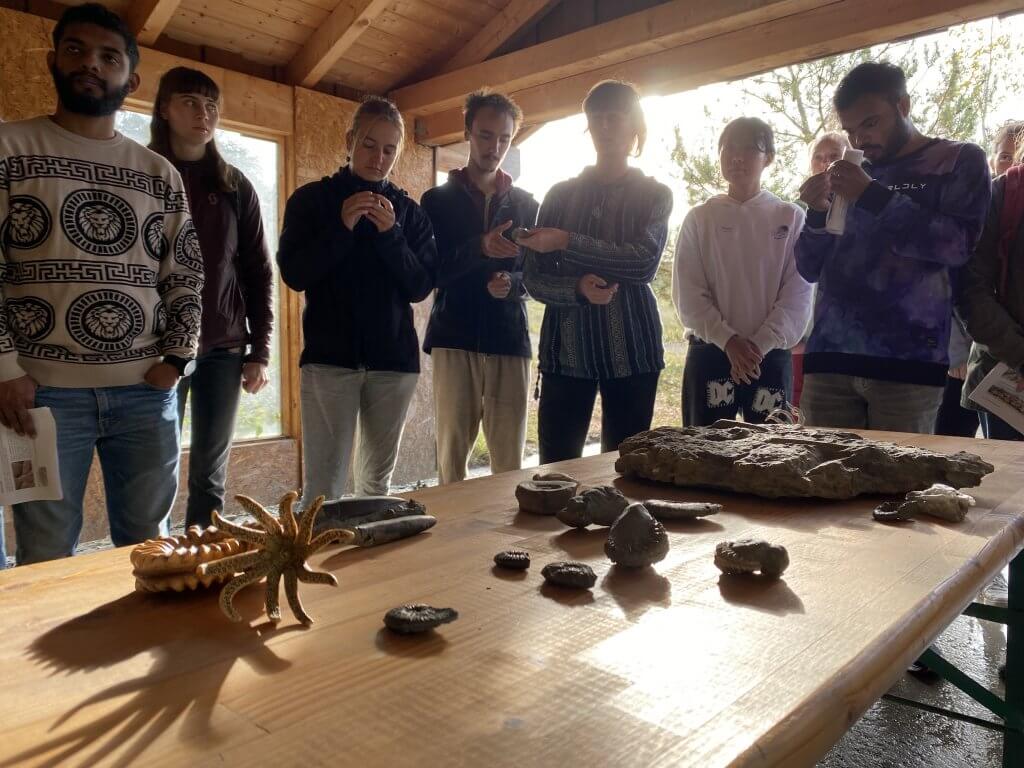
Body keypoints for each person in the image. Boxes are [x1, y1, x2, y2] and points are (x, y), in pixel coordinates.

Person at [0, 3, 202, 564]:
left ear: (130, 81)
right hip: (39, 397)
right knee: (45, 555)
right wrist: (6, 369)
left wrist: (176, 360)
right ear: (53, 61)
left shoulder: (158, 173)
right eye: (76, 50)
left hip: (146, 393)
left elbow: (185, 273)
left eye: (109, 57)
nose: (91, 63)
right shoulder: (9, 149)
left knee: (151, 549)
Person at [794, 62, 990, 433]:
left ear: (903, 105)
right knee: (819, 469)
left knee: (898, 472)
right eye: (850, 130)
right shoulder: (850, 171)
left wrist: (872, 195)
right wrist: (816, 214)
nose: (860, 140)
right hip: (829, 358)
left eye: (870, 123)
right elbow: (808, 267)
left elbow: (956, 246)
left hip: (909, 365)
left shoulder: (958, 160)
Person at [277, 97, 435, 503]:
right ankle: (316, 547)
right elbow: (295, 274)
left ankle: (371, 546)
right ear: (349, 140)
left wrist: (391, 235)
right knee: (323, 491)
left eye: (389, 149)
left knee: (376, 489)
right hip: (329, 361)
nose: (378, 158)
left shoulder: (410, 213)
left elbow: (420, 286)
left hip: (394, 363)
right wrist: (340, 227)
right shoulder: (311, 201)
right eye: (369, 144)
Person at [149, 67, 274, 527]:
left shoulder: (234, 184)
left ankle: (202, 554)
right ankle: (157, 556)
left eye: (211, 106)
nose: (203, 114)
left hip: (223, 348)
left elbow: (259, 272)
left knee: (209, 474)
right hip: (154, 350)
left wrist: (259, 351)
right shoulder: (142, 173)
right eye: (190, 102)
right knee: (154, 472)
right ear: (164, 109)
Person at [522, 80, 672, 462]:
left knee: (627, 469)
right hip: (566, 353)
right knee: (555, 472)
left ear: (635, 125)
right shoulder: (559, 196)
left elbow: (643, 262)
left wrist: (566, 240)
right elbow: (534, 278)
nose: (605, 127)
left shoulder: (655, 194)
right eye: (597, 118)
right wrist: (576, 288)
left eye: (615, 117)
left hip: (634, 352)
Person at [421, 91, 538, 484]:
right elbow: (430, 273)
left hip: (510, 338)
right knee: (451, 461)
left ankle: (507, 528)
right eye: (486, 136)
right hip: (453, 336)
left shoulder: (527, 205)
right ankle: (450, 527)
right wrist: (480, 247)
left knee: (510, 464)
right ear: (467, 133)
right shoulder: (435, 201)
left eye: (504, 138)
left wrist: (512, 284)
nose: (495, 147)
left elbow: (537, 276)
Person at [673, 117, 811, 426]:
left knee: (773, 451)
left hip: (769, 356)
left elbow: (798, 296)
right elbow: (689, 295)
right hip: (711, 352)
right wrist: (729, 341)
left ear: (768, 158)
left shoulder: (790, 217)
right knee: (702, 449)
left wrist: (757, 346)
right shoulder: (699, 218)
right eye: (729, 148)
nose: (737, 157)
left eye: (750, 148)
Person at [956, 135, 1024, 442]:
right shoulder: (1004, 194)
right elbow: (970, 289)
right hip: (1008, 372)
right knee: (1010, 472)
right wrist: (1020, 357)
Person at [791, 132, 850, 406]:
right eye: (819, 157)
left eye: (834, 157)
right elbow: (802, 272)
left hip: (855, 346)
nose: (826, 164)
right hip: (806, 341)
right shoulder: (797, 212)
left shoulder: (866, 207)